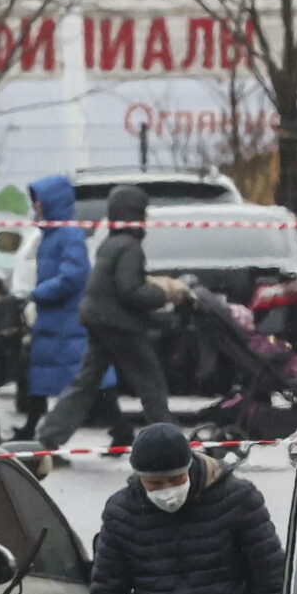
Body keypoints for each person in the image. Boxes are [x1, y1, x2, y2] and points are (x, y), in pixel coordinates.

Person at [85, 424, 284, 594]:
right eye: (155, 483)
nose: (167, 490)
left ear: (189, 468)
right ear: (140, 476)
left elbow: (272, 586)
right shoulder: (122, 513)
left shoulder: (238, 500)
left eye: (176, 479)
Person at [36, 184, 186, 450]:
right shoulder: (130, 246)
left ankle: (48, 438)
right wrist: (165, 294)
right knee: (151, 382)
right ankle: (170, 443)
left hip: (98, 318)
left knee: (85, 383)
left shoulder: (110, 242)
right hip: (118, 324)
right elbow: (130, 291)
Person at [20, 175, 91, 440]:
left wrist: (39, 294)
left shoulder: (68, 234)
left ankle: (32, 428)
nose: (36, 206)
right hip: (55, 317)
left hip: (66, 318)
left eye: (39, 201)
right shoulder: (52, 235)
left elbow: (73, 275)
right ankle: (29, 427)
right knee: (45, 373)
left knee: (79, 377)